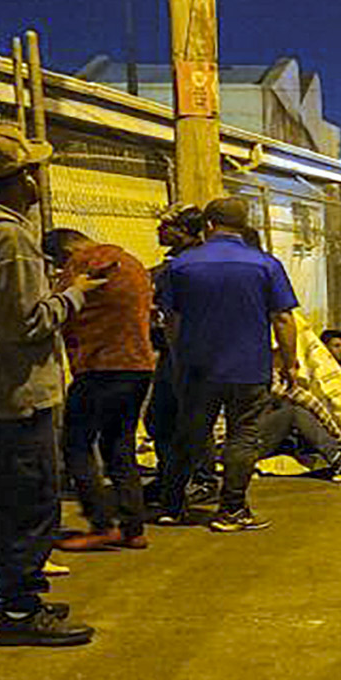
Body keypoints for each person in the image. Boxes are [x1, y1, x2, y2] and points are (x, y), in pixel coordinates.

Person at [0, 125, 104, 644]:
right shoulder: (9, 237)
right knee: (30, 501)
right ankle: (17, 610)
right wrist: (74, 295)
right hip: (15, 395)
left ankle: (10, 597)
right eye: (33, 170)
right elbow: (24, 323)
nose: (40, 178)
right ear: (22, 180)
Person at [158, 195, 299, 533]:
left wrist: (179, 358)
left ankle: (172, 506)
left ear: (208, 225)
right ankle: (232, 510)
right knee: (243, 436)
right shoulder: (266, 265)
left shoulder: (180, 266)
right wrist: (289, 363)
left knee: (189, 434)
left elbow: (171, 320)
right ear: (243, 226)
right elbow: (283, 318)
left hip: (197, 366)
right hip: (249, 367)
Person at [44, 228, 156, 553]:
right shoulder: (131, 262)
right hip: (138, 365)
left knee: (76, 444)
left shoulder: (82, 263)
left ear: (63, 252)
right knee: (119, 445)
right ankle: (133, 527)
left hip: (99, 366)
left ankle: (101, 523)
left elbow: (57, 307)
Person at [144, 205, 206, 512]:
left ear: (182, 231)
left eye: (165, 226)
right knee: (170, 418)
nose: (159, 231)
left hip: (182, 353)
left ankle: (195, 480)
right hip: (186, 352)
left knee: (177, 418)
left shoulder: (180, 268)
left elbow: (172, 318)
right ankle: (173, 477)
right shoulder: (187, 263)